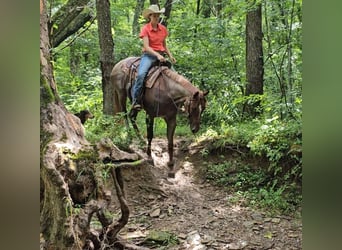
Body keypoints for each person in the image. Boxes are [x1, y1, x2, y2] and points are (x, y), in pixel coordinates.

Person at [131, 4, 177, 110]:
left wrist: (170, 56)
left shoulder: (163, 29)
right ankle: (136, 100)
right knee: (141, 75)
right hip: (149, 56)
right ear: (150, 17)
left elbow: (164, 45)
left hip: (162, 56)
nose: (156, 18)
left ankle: (176, 102)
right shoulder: (145, 29)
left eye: (158, 16)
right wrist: (157, 55)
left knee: (175, 76)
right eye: (154, 16)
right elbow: (146, 47)